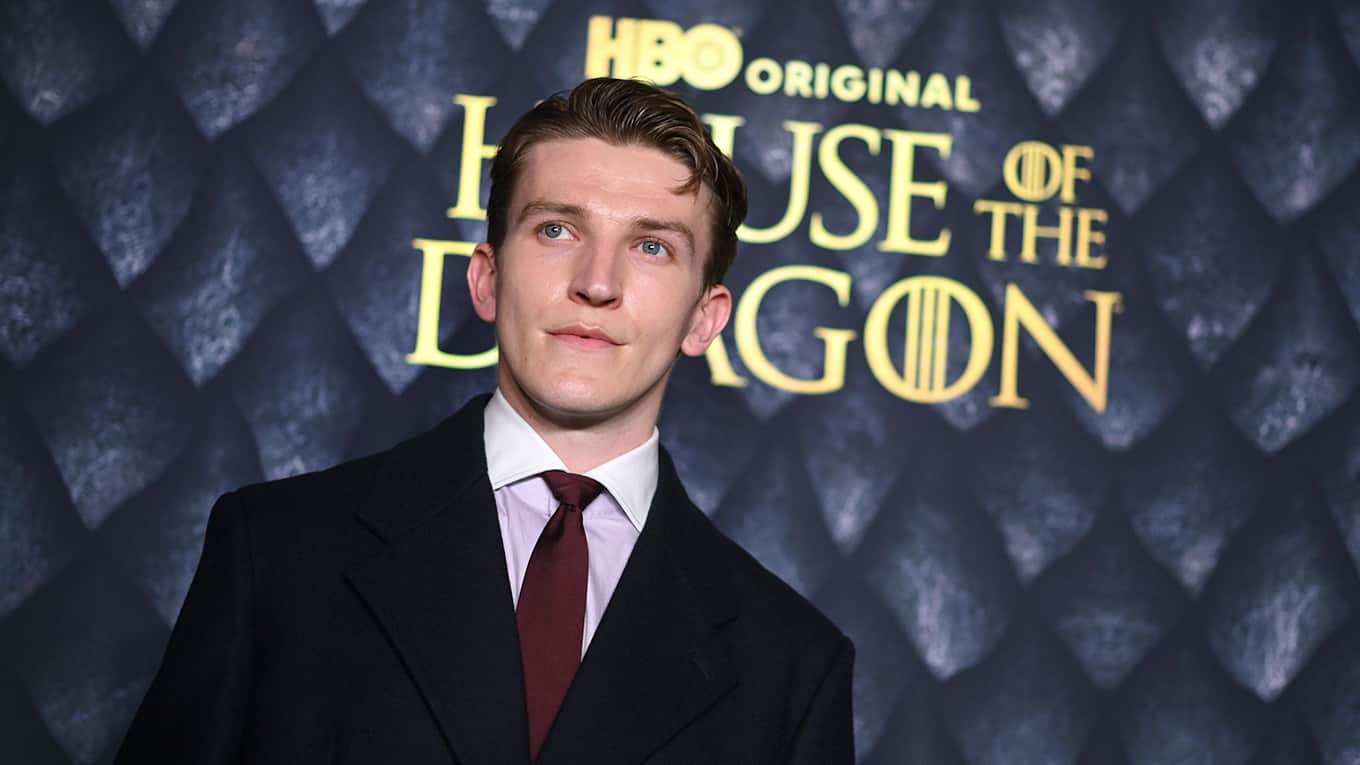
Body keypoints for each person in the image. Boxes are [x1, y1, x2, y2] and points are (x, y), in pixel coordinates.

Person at [116, 77, 854, 764]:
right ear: (487, 278)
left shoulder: (793, 664)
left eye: (652, 246)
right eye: (557, 230)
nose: (597, 282)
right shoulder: (277, 553)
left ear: (704, 318)